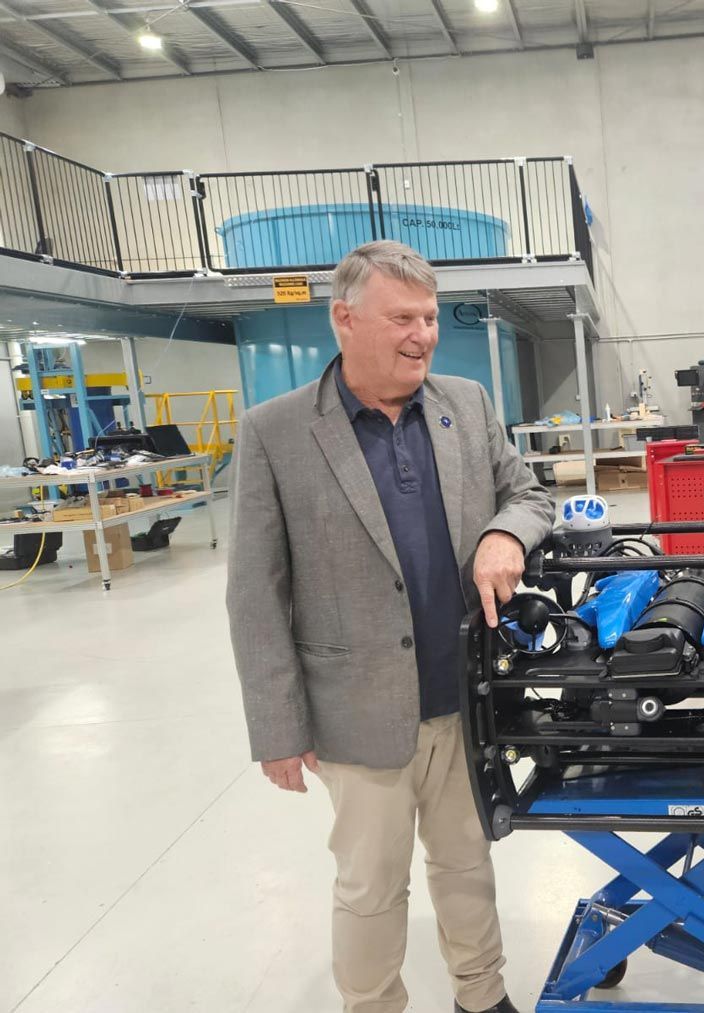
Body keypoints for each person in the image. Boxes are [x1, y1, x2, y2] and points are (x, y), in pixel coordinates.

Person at [226, 240, 553, 1013]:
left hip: (462, 694)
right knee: (372, 883)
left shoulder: (464, 403)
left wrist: (508, 531)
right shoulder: (275, 432)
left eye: (430, 317)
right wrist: (277, 724)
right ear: (344, 320)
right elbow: (254, 591)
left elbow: (529, 493)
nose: (422, 334)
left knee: (467, 861)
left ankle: (482, 993)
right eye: (402, 317)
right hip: (356, 709)